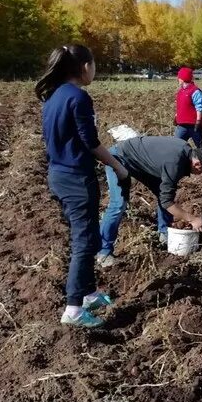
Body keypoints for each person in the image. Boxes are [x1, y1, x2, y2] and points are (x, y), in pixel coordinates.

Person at [37, 45, 130, 328]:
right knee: (84, 241)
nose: (95, 70)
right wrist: (117, 165)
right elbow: (90, 143)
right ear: (84, 66)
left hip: (59, 174)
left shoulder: (53, 96)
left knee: (87, 235)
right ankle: (74, 309)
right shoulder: (78, 97)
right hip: (76, 178)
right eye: (94, 64)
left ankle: (89, 293)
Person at [97, 137, 202, 266]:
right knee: (118, 204)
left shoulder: (184, 150)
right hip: (119, 158)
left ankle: (164, 233)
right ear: (197, 164)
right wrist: (191, 219)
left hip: (138, 162)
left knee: (162, 192)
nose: (199, 174)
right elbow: (167, 202)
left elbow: (166, 194)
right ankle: (103, 252)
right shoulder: (175, 163)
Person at [174, 67, 202, 147]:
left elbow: (199, 107)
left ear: (183, 79)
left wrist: (198, 121)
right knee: (176, 145)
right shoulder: (180, 92)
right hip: (182, 125)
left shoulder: (195, 91)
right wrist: (176, 117)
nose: (178, 79)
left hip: (194, 125)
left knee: (200, 146)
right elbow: (180, 107)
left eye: (179, 78)